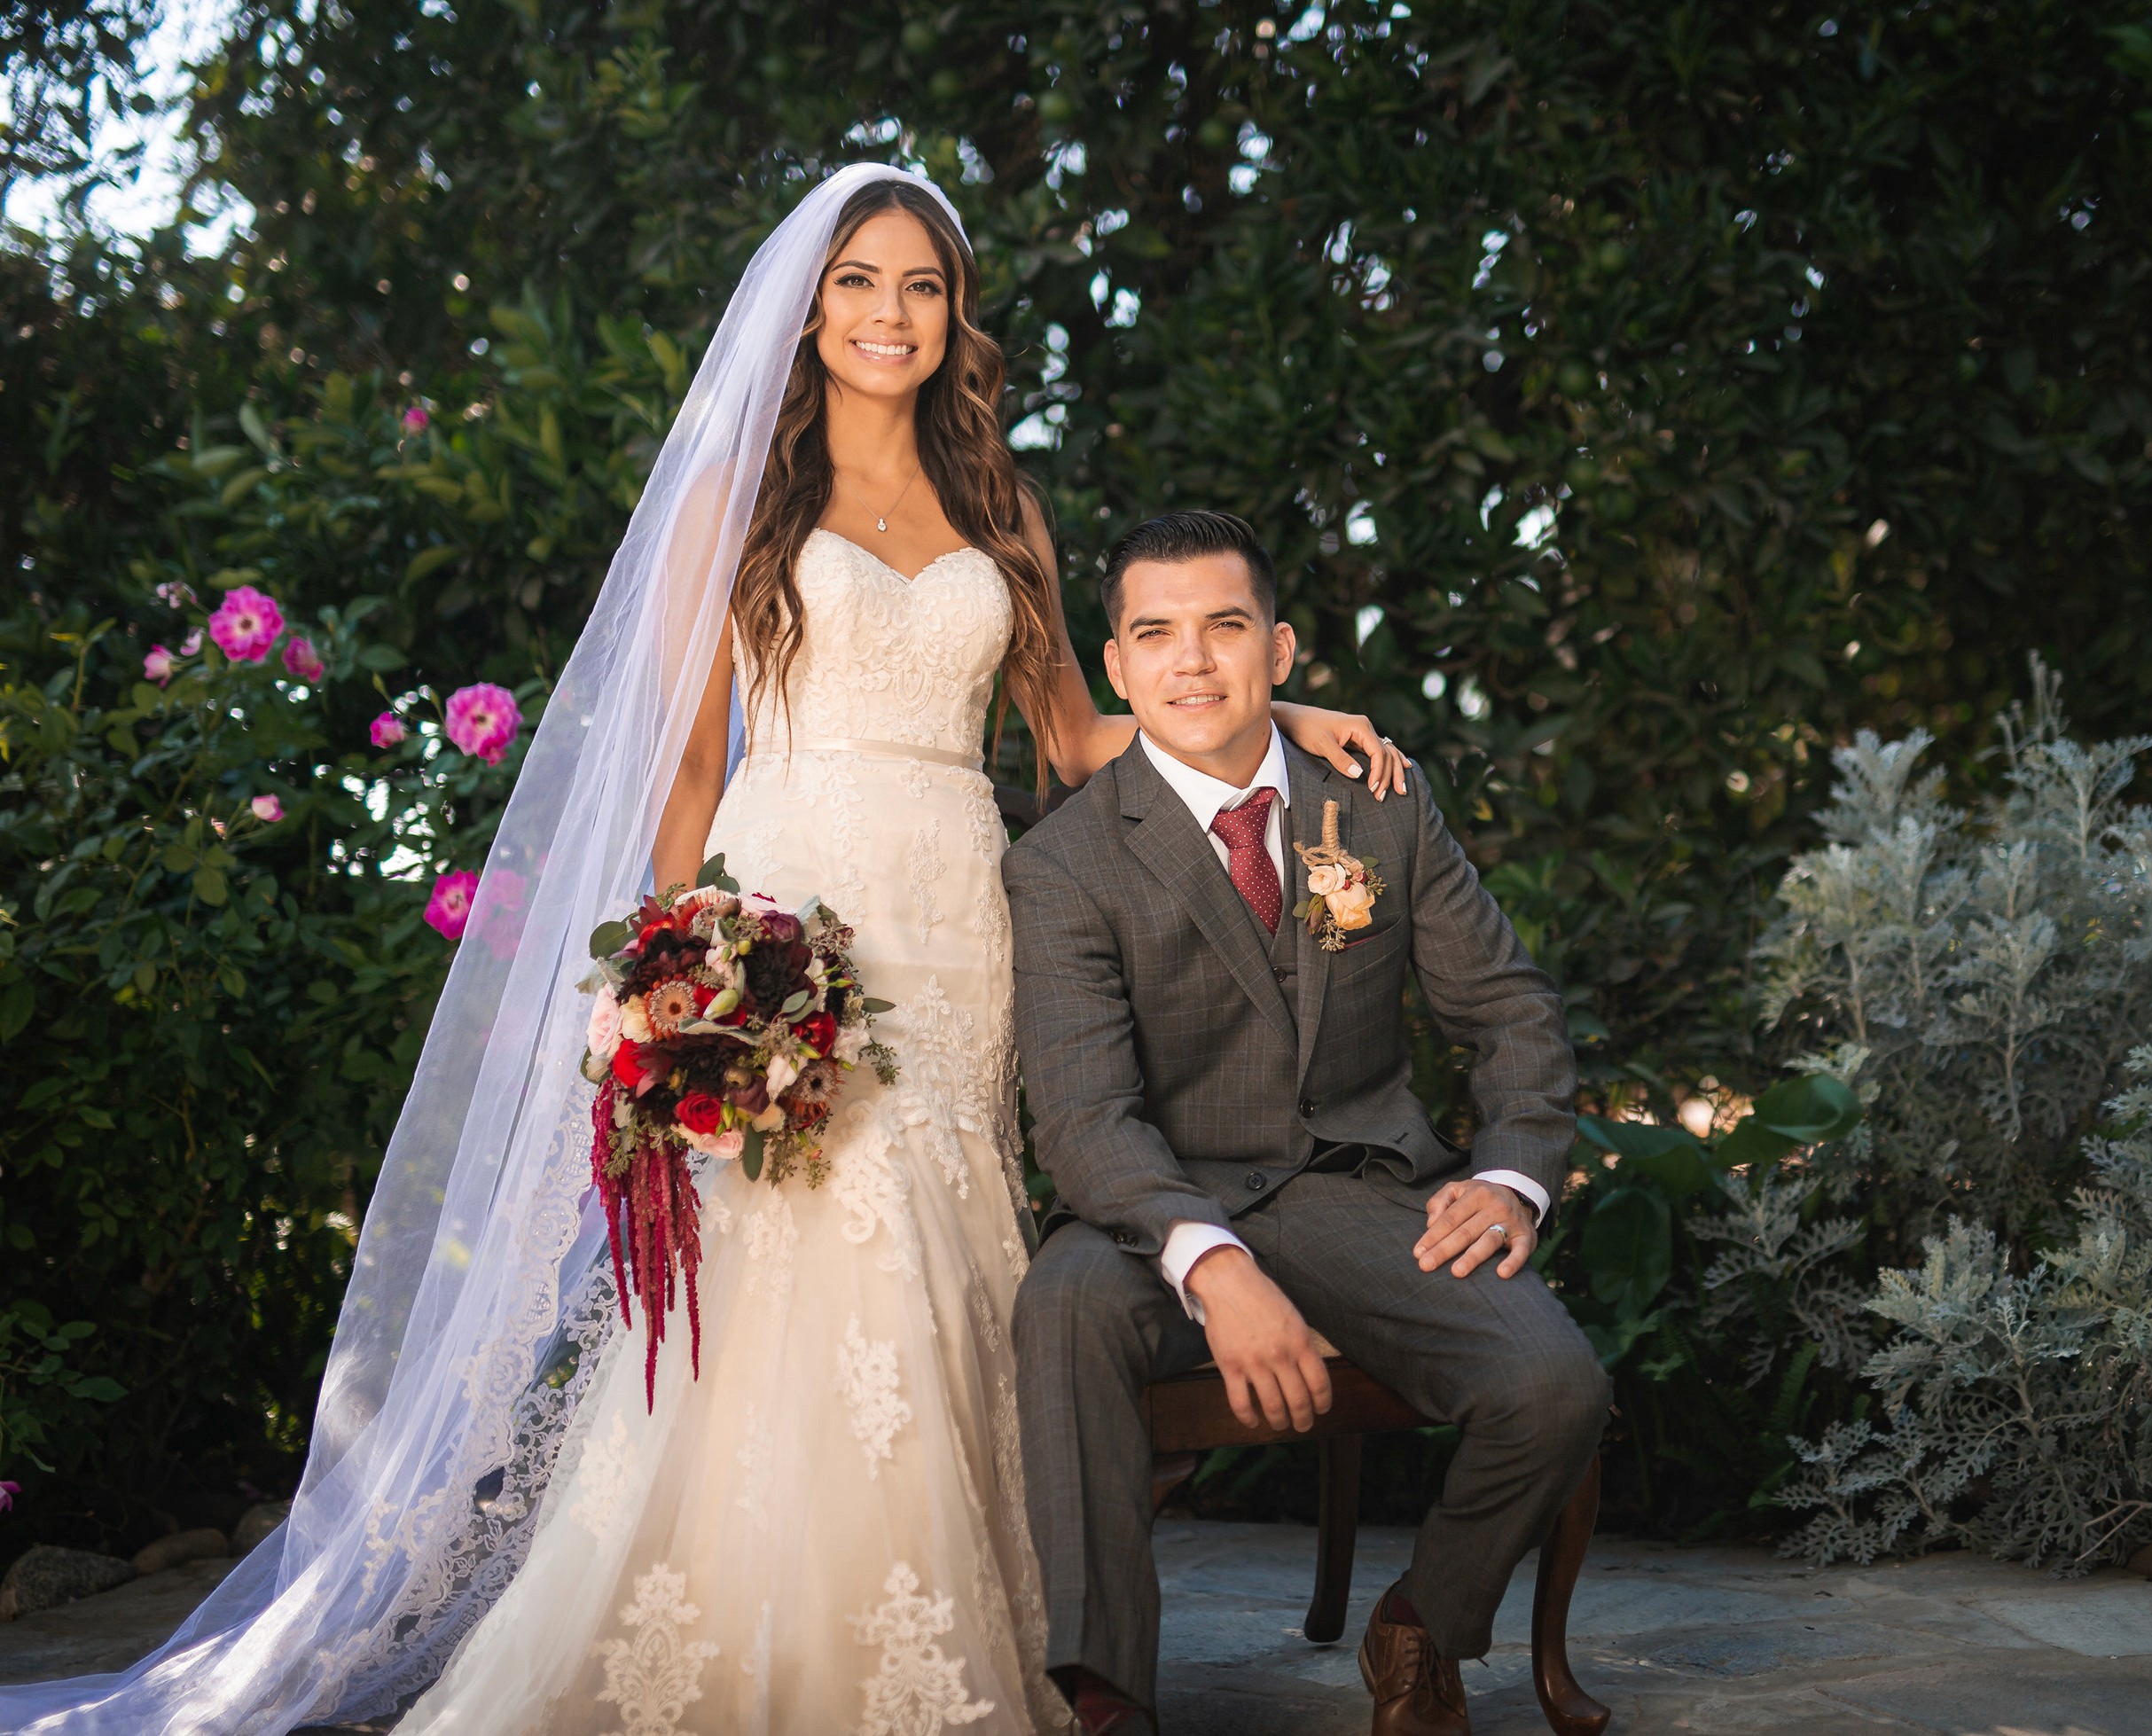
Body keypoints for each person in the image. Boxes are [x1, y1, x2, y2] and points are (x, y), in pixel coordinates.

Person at [0, 165, 1400, 1736]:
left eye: (923, 287)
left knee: (946, 1258)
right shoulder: (741, 495)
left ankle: (966, 1639)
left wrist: (1276, 713)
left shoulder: (1003, 505)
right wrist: (674, 956)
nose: (891, 313)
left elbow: (1077, 738)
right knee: (773, 1270)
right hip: (785, 913)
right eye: (861, 282)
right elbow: (678, 759)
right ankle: (751, 1640)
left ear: (956, 317)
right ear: (809, 309)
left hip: (956, 927)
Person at [1006, 509, 1612, 1736]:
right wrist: (1210, 1261)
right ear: (1114, 668)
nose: (1193, 662)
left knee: (1555, 1382)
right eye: (1155, 635)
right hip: (1155, 1210)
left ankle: (1421, 1627)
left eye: (1223, 628)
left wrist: (1510, 1176)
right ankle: (1108, 1693)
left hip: (1358, 1189)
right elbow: (1082, 1112)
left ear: (1277, 651)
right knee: (1058, 1305)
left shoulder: (1375, 804)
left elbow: (1506, 1007)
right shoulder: (1063, 860)